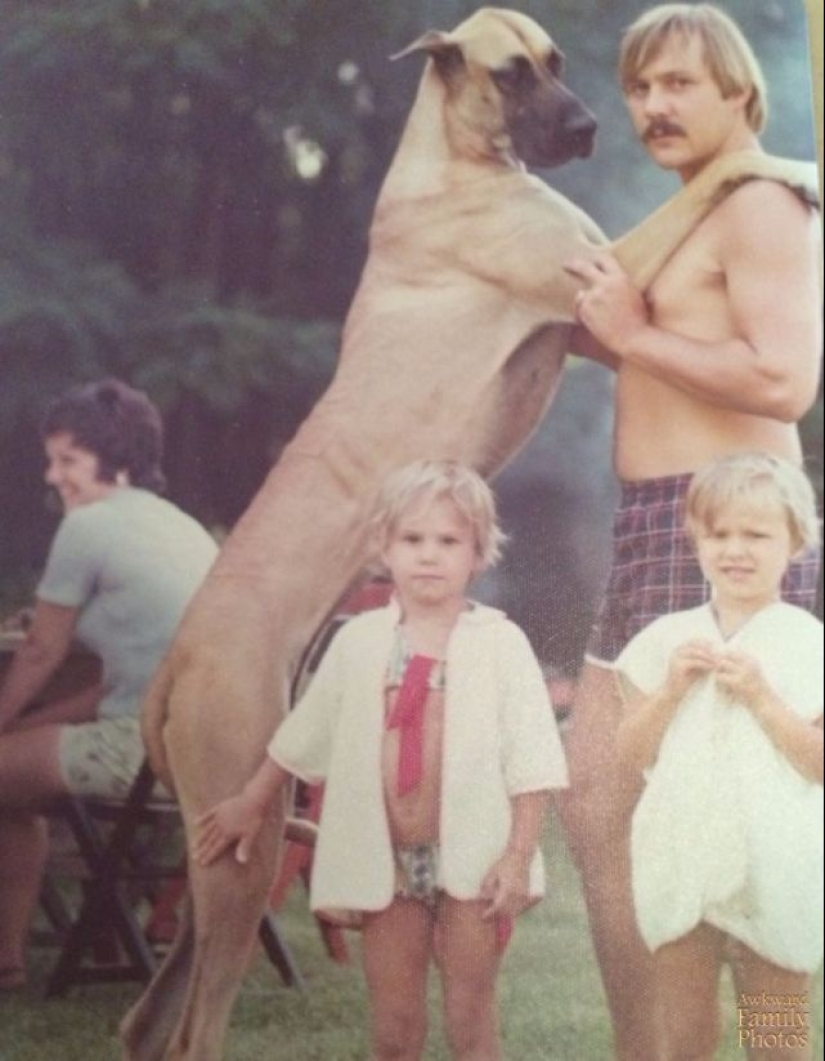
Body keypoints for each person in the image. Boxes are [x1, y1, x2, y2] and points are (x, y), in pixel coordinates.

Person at [560, 5, 822, 1058]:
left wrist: (630, 334)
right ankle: (661, 1048)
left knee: (730, 816)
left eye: (681, 85)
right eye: (642, 87)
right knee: (607, 811)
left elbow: (784, 378)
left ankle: (748, 1043)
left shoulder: (762, 202)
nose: (656, 106)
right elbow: (650, 343)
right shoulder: (688, 216)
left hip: (721, 519)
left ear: (739, 95)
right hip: (651, 525)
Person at [194, 459, 568, 1061]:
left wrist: (518, 855)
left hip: (474, 861)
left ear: (478, 552)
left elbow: (533, 759)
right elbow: (305, 731)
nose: (429, 555)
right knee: (395, 1027)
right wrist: (252, 800)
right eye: (412, 539)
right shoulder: (360, 641)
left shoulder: (501, 644)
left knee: (470, 1017)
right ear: (384, 549)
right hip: (385, 865)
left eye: (448, 541)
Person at [0, 378, 218, 991]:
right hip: (191, 753)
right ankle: (10, 959)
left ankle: (11, 957)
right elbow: (116, 681)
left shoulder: (89, 528)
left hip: (141, 750)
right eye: (51, 460)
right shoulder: (178, 525)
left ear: (115, 456)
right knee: (11, 787)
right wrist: (23, 726)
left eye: (67, 459)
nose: (52, 476)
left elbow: (42, 649)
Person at [615, 453, 823, 1061]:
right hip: (682, 857)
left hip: (775, 866)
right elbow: (632, 751)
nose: (736, 549)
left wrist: (761, 697)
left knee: (776, 1042)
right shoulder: (662, 640)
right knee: (685, 1042)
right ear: (696, 540)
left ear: (795, 542)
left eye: (756, 534)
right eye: (720, 533)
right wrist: (672, 690)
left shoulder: (809, 644)